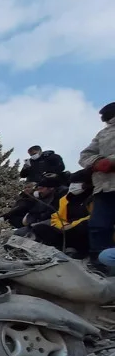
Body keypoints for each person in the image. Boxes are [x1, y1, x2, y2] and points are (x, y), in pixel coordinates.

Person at [80, 102, 115, 267]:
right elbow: (85, 155)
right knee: (98, 226)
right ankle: (99, 266)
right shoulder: (102, 133)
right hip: (103, 188)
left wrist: (111, 161)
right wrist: (96, 162)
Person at [31, 168, 93, 257]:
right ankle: (61, 248)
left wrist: (72, 225)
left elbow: (94, 217)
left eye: (77, 183)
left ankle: (79, 251)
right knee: (40, 228)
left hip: (81, 231)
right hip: (65, 229)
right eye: (72, 183)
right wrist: (63, 226)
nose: (73, 186)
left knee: (82, 227)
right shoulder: (66, 199)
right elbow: (56, 217)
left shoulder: (93, 198)